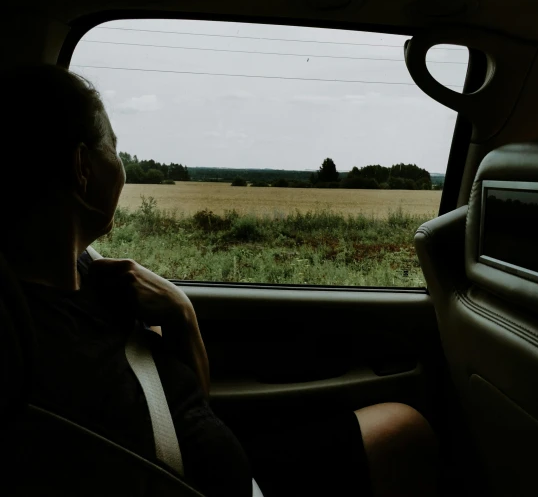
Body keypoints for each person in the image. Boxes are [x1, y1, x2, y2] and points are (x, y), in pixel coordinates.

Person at [2, 64, 438, 497]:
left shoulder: (87, 276)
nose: (121, 167)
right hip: (200, 484)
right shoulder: (23, 334)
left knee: (403, 429)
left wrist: (180, 314)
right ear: (83, 167)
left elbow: (181, 410)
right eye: (114, 149)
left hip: (209, 464)